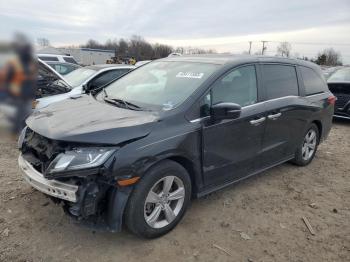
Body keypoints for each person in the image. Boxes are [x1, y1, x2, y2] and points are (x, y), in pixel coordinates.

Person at [2, 35, 37, 135]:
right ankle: (17, 130)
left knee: (24, 112)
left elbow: (32, 78)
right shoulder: (15, 63)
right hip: (18, 93)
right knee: (20, 113)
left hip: (25, 93)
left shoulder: (29, 63)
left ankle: (19, 129)